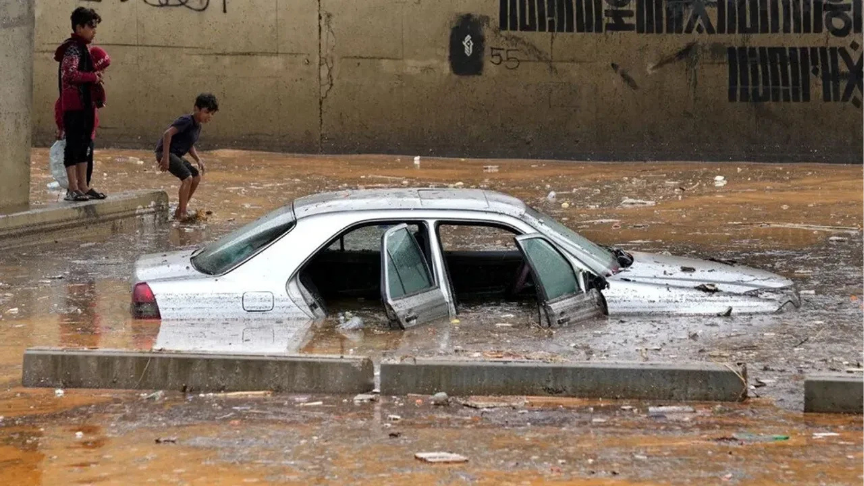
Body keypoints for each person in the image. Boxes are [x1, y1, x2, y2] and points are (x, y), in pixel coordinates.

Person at [54, 7, 104, 202]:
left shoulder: (83, 48)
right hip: (73, 106)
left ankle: (83, 186)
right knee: (73, 146)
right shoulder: (73, 48)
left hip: (85, 105)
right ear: (79, 27)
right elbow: (70, 74)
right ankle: (72, 188)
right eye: (91, 27)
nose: (94, 31)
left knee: (84, 146)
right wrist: (93, 76)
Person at [154, 93, 218, 221]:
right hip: (165, 152)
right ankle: (182, 213)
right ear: (196, 108)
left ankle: (180, 209)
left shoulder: (197, 126)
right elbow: (167, 134)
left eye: (212, 113)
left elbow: (189, 145)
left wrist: (198, 159)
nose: (209, 116)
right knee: (187, 178)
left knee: (196, 176)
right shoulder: (186, 120)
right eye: (206, 112)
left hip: (175, 155)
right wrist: (165, 158)